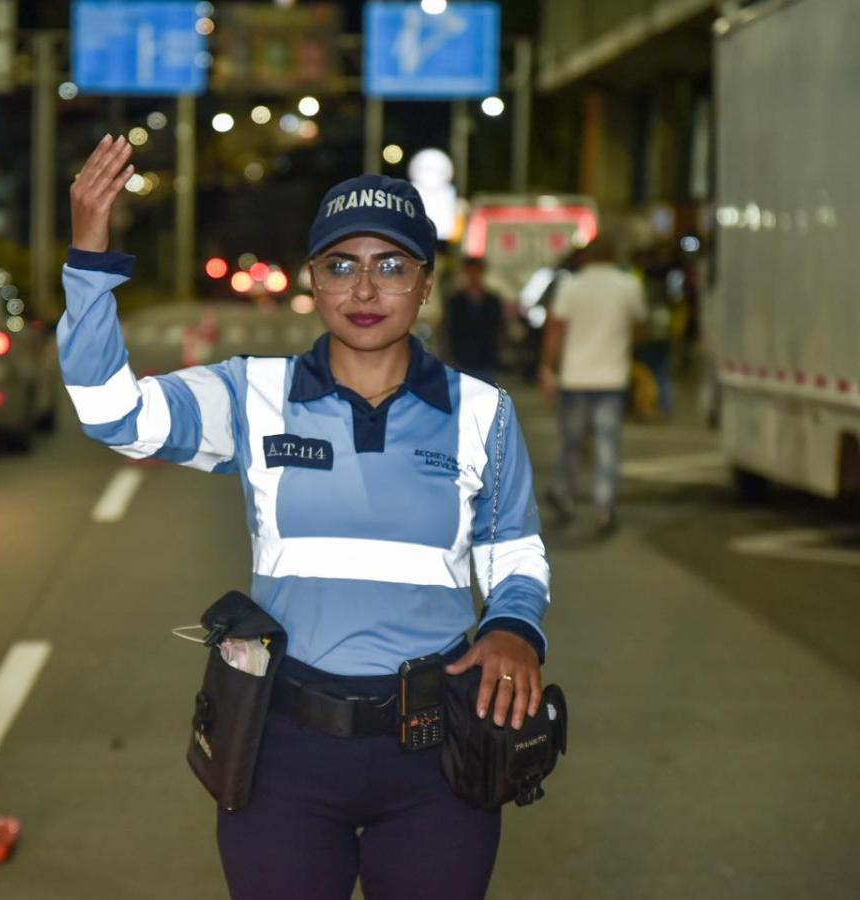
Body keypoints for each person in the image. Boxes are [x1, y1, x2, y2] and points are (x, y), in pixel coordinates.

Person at [61, 135, 551, 900]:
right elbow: (111, 412)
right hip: (283, 748)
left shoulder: (482, 413)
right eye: (340, 265)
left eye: (391, 266)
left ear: (426, 283)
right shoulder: (253, 395)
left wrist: (514, 628)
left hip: (435, 756)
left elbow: (514, 553)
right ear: (314, 283)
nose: (364, 289)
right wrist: (91, 262)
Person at [539, 235, 647, 534]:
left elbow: (555, 332)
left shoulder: (571, 286)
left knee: (571, 444)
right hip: (612, 377)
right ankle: (604, 505)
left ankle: (564, 495)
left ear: (587, 257)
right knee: (607, 443)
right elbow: (639, 329)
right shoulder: (629, 286)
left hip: (575, 378)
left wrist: (548, 371)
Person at [443, 255, 504, 385]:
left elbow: (498, 328)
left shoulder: (492, 301)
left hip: (486, 360)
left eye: (477, 271)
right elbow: (449, 329)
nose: (474, 276)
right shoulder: (456, 301)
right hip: (462, 360)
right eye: (471, 271)